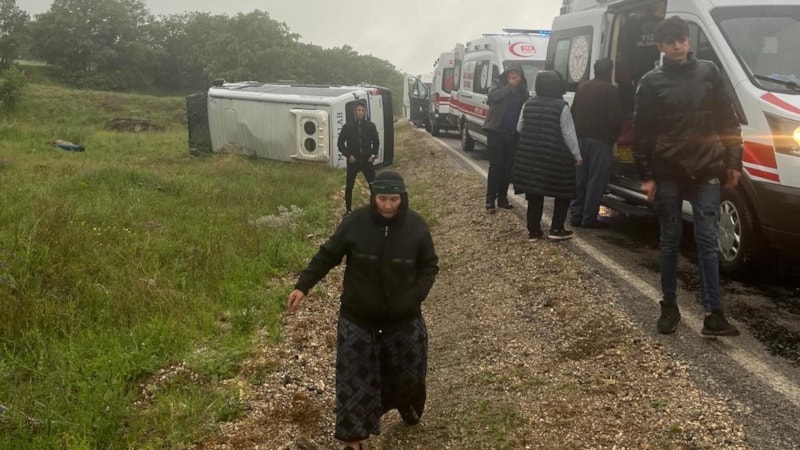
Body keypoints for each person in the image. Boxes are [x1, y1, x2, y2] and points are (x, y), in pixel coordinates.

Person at [286, 170, 439, 450]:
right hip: (357, 318)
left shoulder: (417, 227)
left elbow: (429, 264)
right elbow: (327, 255)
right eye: (382, 198)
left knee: (409, 376)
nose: (388, 205)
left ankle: (407, 404)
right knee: (352, 381)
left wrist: (415, 296)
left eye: (394, 199)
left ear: (403, 198)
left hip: (403, 319)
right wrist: (302, 286)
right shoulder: (354, 223)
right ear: (373, 196)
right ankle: (353, 440)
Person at [632, 16, 742, 336]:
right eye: (671, 42)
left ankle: (713, 313)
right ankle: (669, 306)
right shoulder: (650, 82)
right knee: (670, 240)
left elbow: (728, 120)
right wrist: (647, 175)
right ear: (660, 46)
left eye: (682, 40)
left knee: (707, 240)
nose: (678, 46)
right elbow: (642, 132)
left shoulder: (709, 72)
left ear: (689, 41)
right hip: (668, 172)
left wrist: (733, 162)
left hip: (707, 169)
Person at [511, 70, 583, 241]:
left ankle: (534, 231)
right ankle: (556, 229)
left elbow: (519, 127)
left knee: (535, 193)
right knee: (562, 192)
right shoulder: (561, 106)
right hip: (555, 157)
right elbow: (568, 134)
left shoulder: (528, 103)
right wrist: (577, 155)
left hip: (531, 156)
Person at [569, 58, 624, 228]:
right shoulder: (610, 90)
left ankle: (576, 214)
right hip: (600, 141)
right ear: (610, 71)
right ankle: (589, 218)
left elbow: (573, 111)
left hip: (580, 139)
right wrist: (613, 138)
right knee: (596, 181)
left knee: (580, 178)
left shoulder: (582, 87)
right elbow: (616, 118)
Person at [483, 63, 530, 213]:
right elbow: (494, 97)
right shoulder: (497, 84)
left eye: (516, 73)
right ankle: (490, 200)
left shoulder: (523, 91)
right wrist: (510, 87)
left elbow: (525, 108)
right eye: (511, 73)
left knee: (507, 167)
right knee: (495, 165)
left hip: (512, 133)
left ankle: (502, 198)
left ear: (521, 76)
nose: (513, 76)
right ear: (506, 74)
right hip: (496, 131)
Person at [337, 101, 380, 215]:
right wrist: (348, 155)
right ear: (354, 112)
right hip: (353, 161)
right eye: (358, 110)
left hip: (367, 161)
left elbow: (376, 142)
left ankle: (374, 209)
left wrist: (373, 155)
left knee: (373, 185)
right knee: (349, 186)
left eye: (362, 110)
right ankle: (348, 210)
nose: (360, 112)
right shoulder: (348, 126)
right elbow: (340, 143)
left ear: (365, 112)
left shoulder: (370, 126)